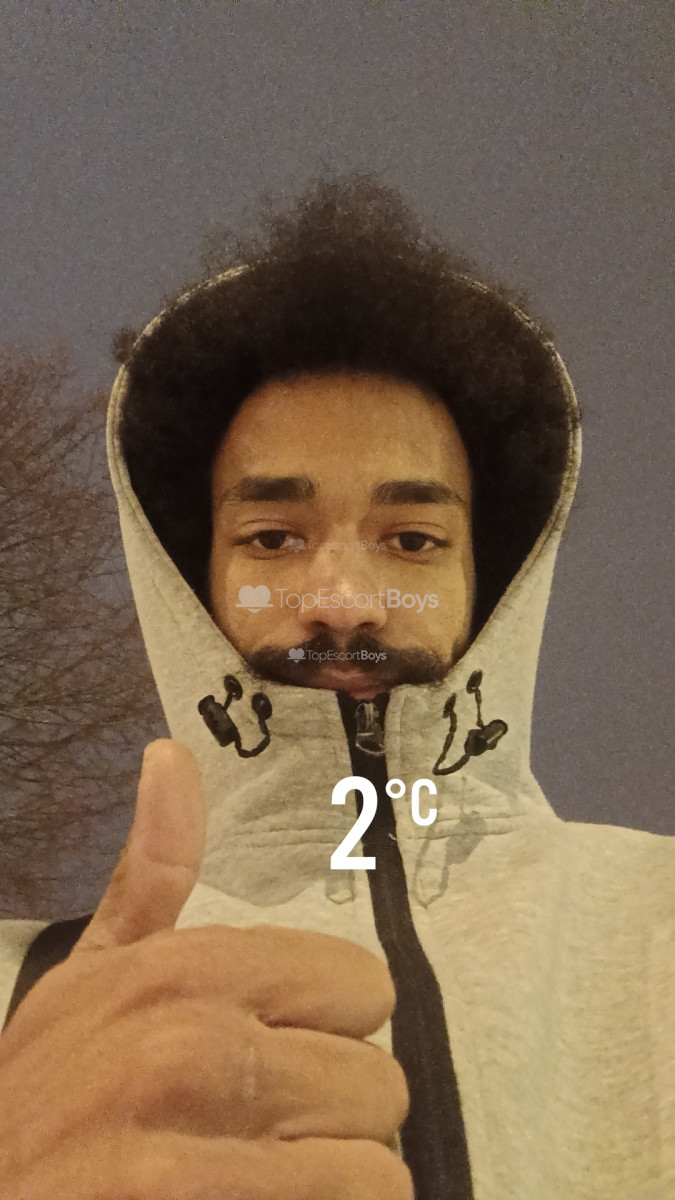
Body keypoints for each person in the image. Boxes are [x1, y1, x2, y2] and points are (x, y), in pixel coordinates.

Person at [0, 176, 672, 1199]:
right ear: (193, 581)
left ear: (488, 579)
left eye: (412, 540)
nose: (345, 602)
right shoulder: (27, 1006)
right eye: (274, 538)